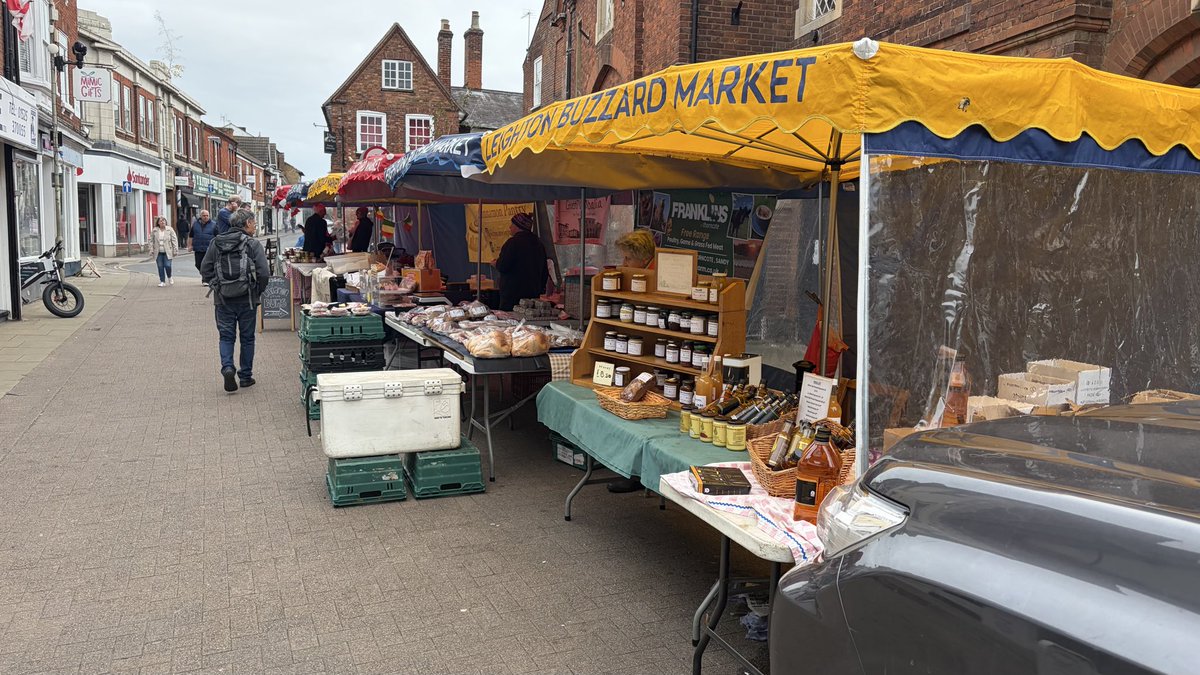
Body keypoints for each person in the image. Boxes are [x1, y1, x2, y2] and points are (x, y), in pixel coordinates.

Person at [607, 229, 660, 494]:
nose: (624, 264)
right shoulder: (639, 275)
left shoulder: (659, 276)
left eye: (628, 258)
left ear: (642, 258)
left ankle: (637, 473)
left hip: (650, 356)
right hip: (640, 352)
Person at [200, 209, 270, 393]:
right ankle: (245, 376)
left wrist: (216, 284)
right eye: (254, 223)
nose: (255, 226)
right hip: (247, 299)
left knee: (226, 336)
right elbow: (264, 273)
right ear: (246, 223)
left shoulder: (216, 243)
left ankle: (228, 368)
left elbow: (205, 269)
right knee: (247, 338)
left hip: (223, 299)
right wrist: (257, 290)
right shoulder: (253, 244)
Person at [493, 212, 547, 311]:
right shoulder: (539, 244)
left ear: (518, 226)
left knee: (510, 322)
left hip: (512, 295)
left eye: (512, 224)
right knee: (529, 322)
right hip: (533, 295)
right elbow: (544, 271)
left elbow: (503, 266)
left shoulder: (512, 243)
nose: (510, 227)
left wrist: (495, 263)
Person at [149, 216, 179, 287]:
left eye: (164, 221)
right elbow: (151, 240)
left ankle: (169, 277)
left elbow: (174, 240)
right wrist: (151, 249)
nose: (162, 222)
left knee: (168, 265)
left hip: (168, 251)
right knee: (160, 266)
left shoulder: (170, 229)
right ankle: (162, 281)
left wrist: (175, 250)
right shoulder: (155, 230)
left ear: (166, 222)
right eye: (161, 221)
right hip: (158, 252)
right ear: (158, 223)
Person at [191, 210, 217, 277]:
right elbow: (191, 235)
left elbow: (218, 236)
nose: (206, 217)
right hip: (198, 248)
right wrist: (189, 245)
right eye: (204, 215)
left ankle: (205, 278)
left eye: (207, 215)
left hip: (209, 248)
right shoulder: (195, 224)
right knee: (198, 264)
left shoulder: (214, 224)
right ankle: (205, 275)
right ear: (200, 216)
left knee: (207, 264)